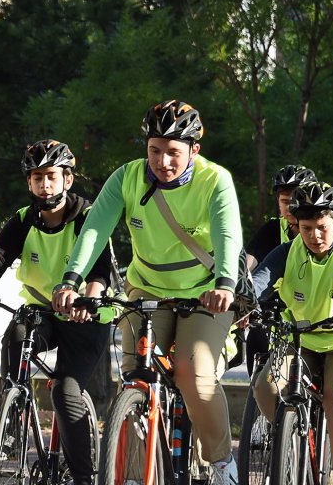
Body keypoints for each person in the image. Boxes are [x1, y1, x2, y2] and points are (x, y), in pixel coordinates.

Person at [51, 99, 243, 485]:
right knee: (136, 375)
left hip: (204, 294)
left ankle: (221, 461)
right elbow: (94, 230)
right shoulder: (127, 178)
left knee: (193, 370)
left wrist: (225, 283)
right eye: (155, 150)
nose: (163, 161)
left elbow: (227, 233)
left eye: (173, 152)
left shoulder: (215, 179)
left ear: (194, 151)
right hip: (146, 289)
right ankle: (137, 473)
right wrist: (71, 279)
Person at [0, 139, 116, 485]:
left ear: (67, 180)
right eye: (36, 178)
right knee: (17, 333)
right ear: (29, 182)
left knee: (65, 391)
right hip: (42, 311)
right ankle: (14, 421)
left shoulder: (89, 217)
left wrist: (89, 300)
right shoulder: (23, 220)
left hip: (85, 317)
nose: (44, 185)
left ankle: (83, 477)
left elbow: (101, 270)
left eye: (51, 177)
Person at [250, 182, 333, 485]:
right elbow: (260, 280)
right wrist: (245, 305)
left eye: (321, 227)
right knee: (264, 388)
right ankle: (290, 441)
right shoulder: (287, 252)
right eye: (306, 228)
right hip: (300, 340)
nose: (314, 236)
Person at [241, 165, 319, 374]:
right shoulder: (272, 229)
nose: (291, 207)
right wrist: (238, 290)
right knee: (258, 364)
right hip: (272, 309)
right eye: (285, 202)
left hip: (314, 310)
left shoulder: (324, 230)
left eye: (297, 199)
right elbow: (248, 262)